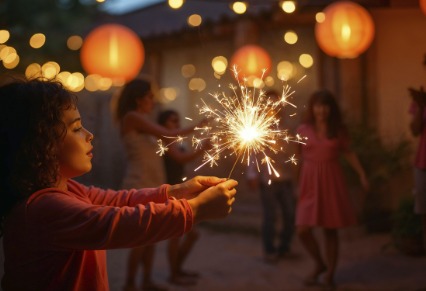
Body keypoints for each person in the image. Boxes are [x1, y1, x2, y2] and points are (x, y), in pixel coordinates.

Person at [0, 78, 238, 291]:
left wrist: (178, 191)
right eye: (76, 128)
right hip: (141, 175)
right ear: (40, 145)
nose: (89, 134)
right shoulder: (42, 209)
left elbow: (116, 201)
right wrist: (195, 210)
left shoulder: (69, 189)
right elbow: (116, 223)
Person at [115, 79, 204, 291]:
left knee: (152, 237)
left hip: (154, 184)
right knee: (141, 240)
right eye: (150, 97)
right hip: (139, 183)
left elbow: (176, 153)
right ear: (139, 99)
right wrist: (197, 126)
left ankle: (146, 282)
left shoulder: (145, 122)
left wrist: (204, 146)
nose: (153, 102)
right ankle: (129, 284)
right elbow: (170, 134)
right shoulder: (132, 117)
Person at [295, 89, 369, 289]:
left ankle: (330, 275)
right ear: (313, 107)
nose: (322, 110)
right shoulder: (303, 129)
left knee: (330, 230)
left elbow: (348, 153)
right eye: (318, 105)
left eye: (326, 106)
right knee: (302, 229)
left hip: (331, 180)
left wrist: (361, 173)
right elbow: (295, 156)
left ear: (331, 108)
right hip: (309, 182)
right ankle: (319, 263)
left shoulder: (338, 129)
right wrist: (295, 182)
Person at [246, 90, 296, 264]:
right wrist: (252, 174)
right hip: (267, 179)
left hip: (287, 178)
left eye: (275, 103)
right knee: (270, 216)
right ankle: (269, 250)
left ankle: (284, 247)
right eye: (269, 103)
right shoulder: (259, 128)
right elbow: (253, 154)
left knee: (290, 214)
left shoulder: (287, 125)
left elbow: (293, 150)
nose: (272, 106)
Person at [157, 109, 206, 286]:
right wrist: (203, 148)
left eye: (178, 121)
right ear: (162, 124)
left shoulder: (175, 141)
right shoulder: (165, 140)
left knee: (190, 234)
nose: (176, 125)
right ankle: (174, 273)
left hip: (179, 193)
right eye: (172, 121)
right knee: (176, 236)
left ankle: (177, 269)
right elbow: (182, 159)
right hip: (169, 194)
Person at [408, 86, 426, 253]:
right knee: (424, 210)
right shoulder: (421, 98)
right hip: (423, 162)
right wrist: (421, 106)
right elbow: (414, 130)